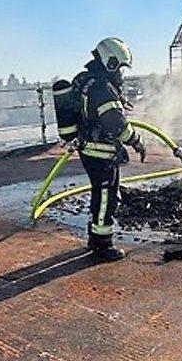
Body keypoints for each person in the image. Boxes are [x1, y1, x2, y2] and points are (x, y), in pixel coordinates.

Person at [73, 38, 146, 261]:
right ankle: (102, 245)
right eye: (120, 68)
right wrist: (136, 141)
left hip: (87, 148)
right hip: (101, 151)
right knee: (106, 197)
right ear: (110, 62)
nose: (121, 74)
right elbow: (116, 123)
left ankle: (94, 237)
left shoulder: (84, 80)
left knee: (99, 193)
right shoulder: (102, 87)